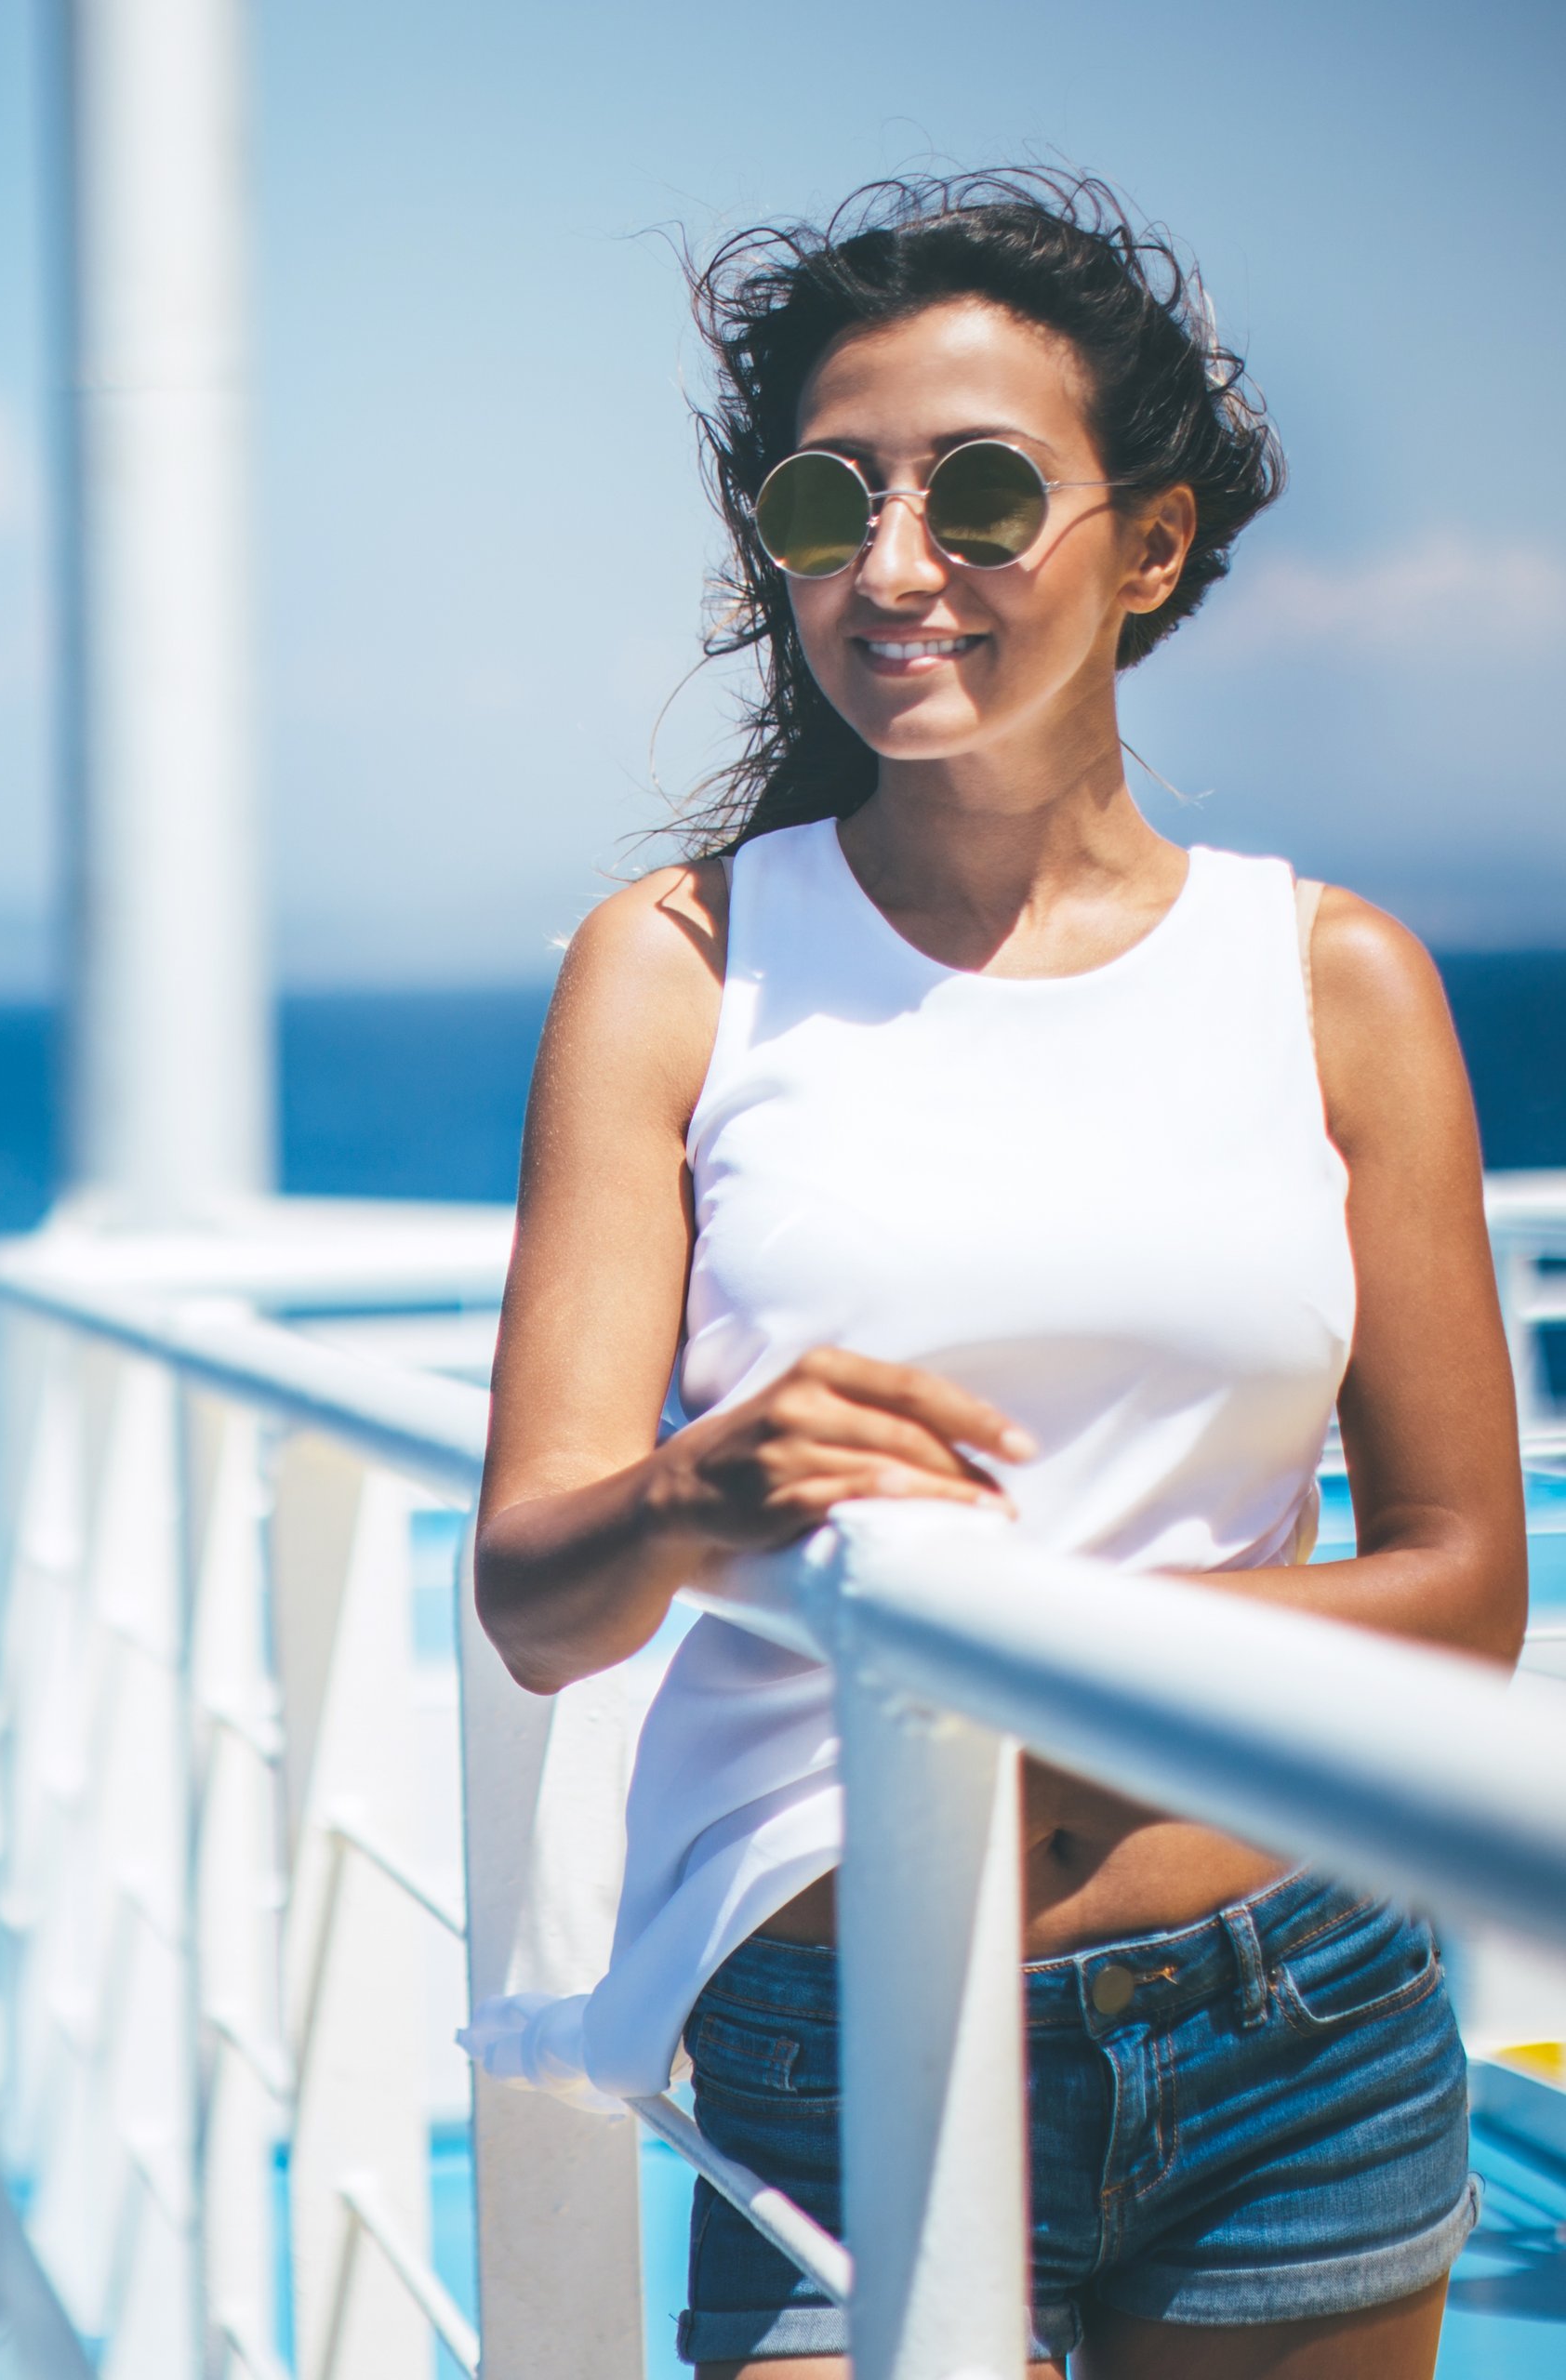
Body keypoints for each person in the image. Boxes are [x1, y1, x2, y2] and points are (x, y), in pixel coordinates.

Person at [468, 171, 1530, 2380]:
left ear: (1146, 548)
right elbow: (538, 1596)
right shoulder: (676, 969)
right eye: (825, 499)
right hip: (850, 2028)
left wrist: (993, 1644)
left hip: (1298, 2004)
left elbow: (1458, 1589)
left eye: (976, 493)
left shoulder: (1337, 983)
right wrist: (696, 1494)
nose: (893, 564)